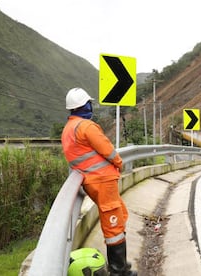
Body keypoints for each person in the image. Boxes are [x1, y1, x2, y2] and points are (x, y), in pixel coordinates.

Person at [61, 87, 137, 276]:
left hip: (92, 182)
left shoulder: (68, 129)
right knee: (114, 225)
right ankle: (118, 271)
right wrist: (119, 163)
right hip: (102, 181)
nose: (91, 106)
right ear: (84, 105)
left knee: (120, 215)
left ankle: (121, 266)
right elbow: (108, 150)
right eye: (89, 103)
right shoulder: (87, 126)